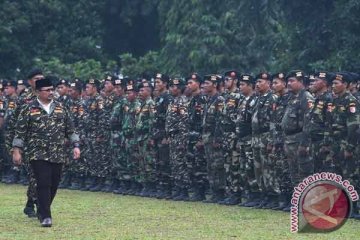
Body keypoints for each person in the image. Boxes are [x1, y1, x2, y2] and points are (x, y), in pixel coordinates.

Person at [12, 77, 80, 227]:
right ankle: (46, 216)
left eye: (52, 90)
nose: (51, 92)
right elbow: (20, 133)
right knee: (43, 182)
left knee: (54, 183)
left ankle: (42, 208)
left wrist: (76, 145)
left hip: (57, 152)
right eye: (47, 90)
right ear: (38, 92)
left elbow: (71, 129)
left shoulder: (61, 108)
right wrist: (17, 151)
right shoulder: (28, 108)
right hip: (37, 153)